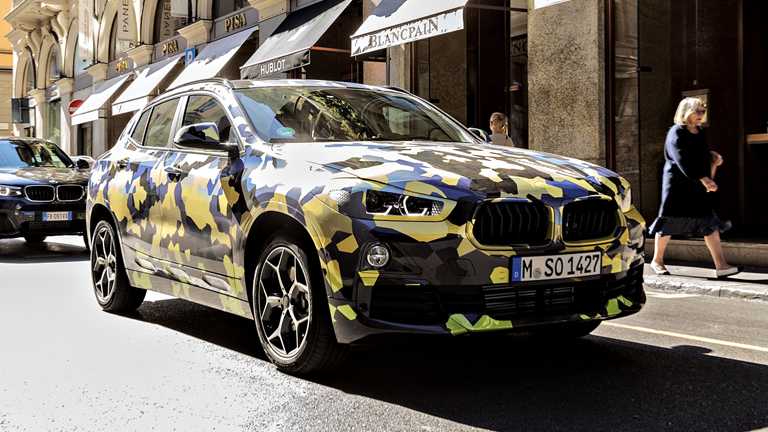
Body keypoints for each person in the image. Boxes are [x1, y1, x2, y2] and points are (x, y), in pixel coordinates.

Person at [648, 97, 740, 278]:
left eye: (702, 111)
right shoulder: (676, 132)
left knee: (709, 223)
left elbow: (701, 156)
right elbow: (682, 160)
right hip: (678, 186)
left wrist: (713, 159)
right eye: (697, 111)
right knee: (669, 223)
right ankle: (657, 260)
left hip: (697, 184)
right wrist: (704, 179)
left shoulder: (700, 132)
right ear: (686, 111)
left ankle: (721, 266)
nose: (701, 115)